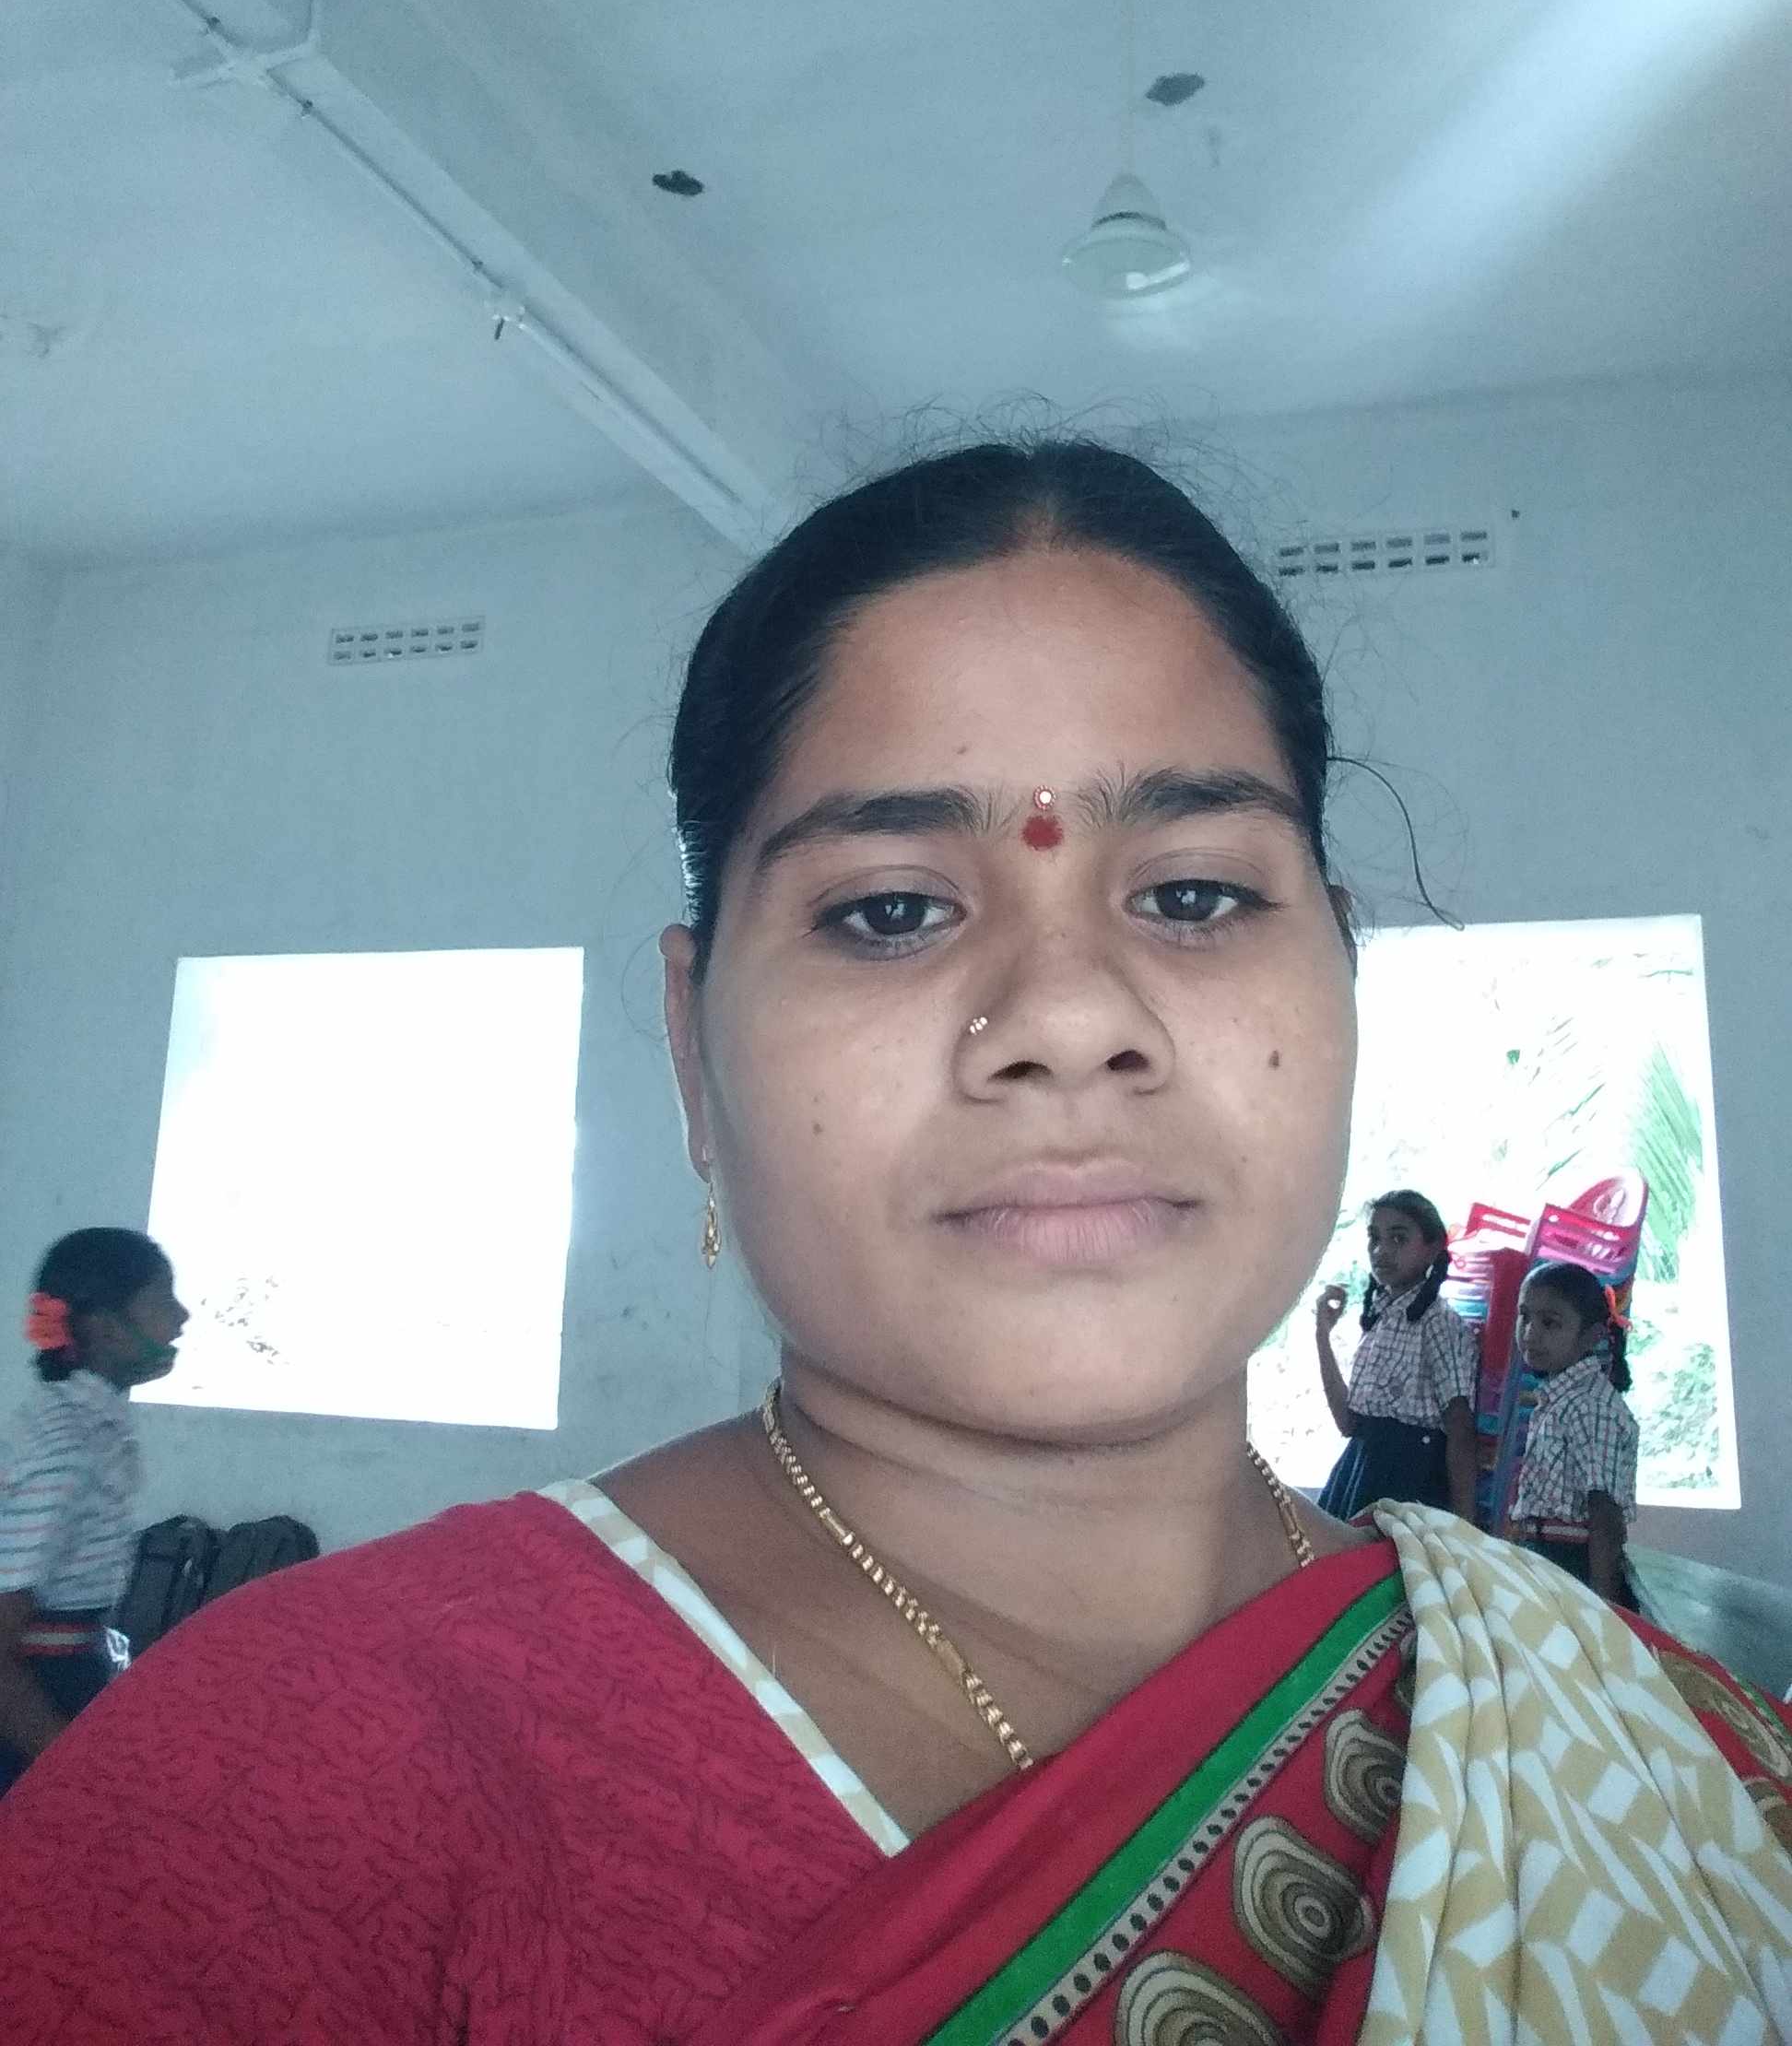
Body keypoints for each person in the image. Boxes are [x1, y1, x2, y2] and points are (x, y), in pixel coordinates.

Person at [0, 441, 1786, 2043]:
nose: (1068, 1016)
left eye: (1192, 893)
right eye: (889, 911)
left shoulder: (1653, 1762)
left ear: (1339, 980)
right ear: (693, 1047)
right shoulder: (283, 1791)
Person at [0, 1228, 186, 1796]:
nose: (181, 1317)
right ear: (105, 1326)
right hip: (35, 1698)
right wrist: (74, 1773)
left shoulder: (91, 1427)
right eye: (161, 1299)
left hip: (71, 1672)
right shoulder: (68, 1447)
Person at [1312, 1191, 1480, 1525]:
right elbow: (1348, 1423)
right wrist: (1322, 1335)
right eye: (1374, 1238)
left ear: (1433, 1248)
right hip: (1359, 1472)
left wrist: (1465, 1531)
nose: (1381, 1250)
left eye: (1398, 1238)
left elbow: (1460, 1428)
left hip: (1407, 1482)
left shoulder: (1439, 1323)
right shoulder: (1382, 1319)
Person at [1506, 1257, 1642, 1608]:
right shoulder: (1559, 1397)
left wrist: (1604, 1608)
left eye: (1550, 1323)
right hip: (1543, 1556)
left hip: (1571, 1564)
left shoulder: (1590, 1406)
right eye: (1525, 1316)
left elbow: (1605, 1515)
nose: (1530, 1333)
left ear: (1591, 1335)